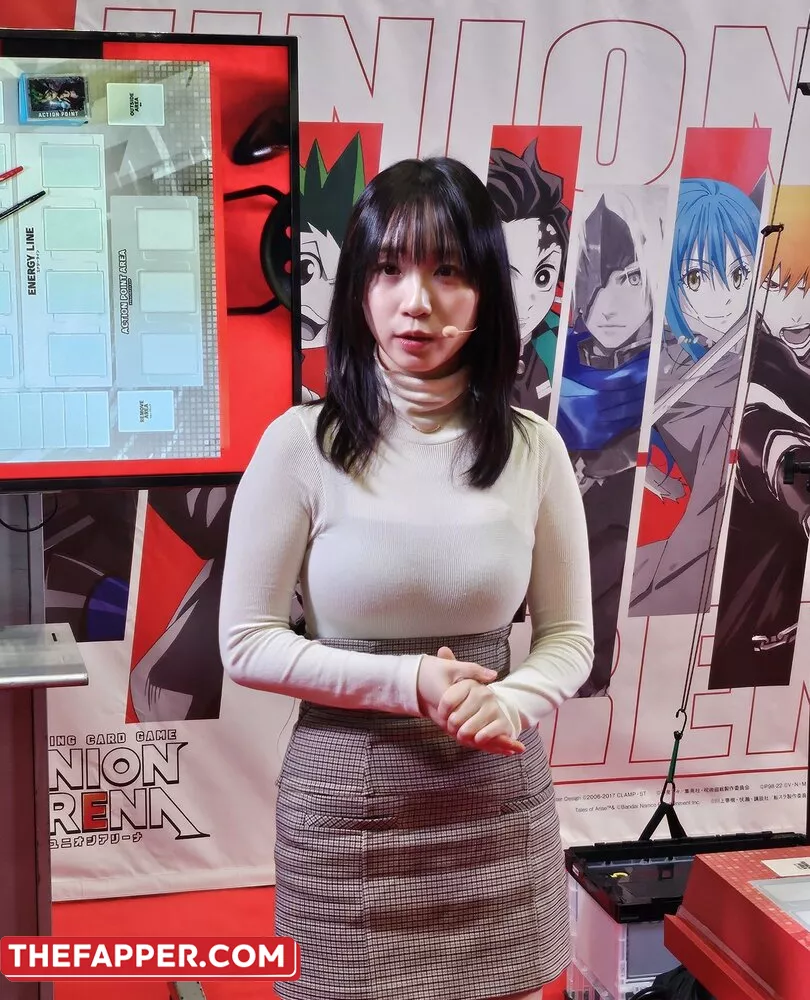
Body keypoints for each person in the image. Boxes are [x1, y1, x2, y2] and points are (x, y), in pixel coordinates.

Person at [219, 155, 594, 1000]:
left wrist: (512, 699)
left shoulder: (534, 450)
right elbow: (245, 643)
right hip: (345, 823)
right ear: (358, 286)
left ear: (487, 292)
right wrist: (407, 682)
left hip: (495, 811)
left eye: (447, 271)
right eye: (389, 269)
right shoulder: (300, 446)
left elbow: (570, 638)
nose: (415, 301)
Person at [630, 178, 762, 618]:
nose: (724, 298)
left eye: (740, 274)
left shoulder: (766, 359)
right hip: (660, 562)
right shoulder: (647, 359)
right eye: (696, 277)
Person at [555, 187, 667, 695]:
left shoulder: (668, 367)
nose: (607, 305)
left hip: (625, 535)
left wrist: (609, 463)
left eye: (630, 278)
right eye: (593, 279)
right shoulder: (554, 357)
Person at [486, 141, 571, 418]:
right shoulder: (454, 349)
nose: (526, 299)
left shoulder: (558, 342)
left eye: (543, 276)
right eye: (505, 274)